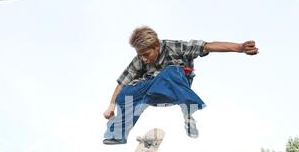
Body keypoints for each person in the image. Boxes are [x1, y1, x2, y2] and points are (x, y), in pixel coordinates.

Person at [103, 26, 258, 145]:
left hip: (176, 90)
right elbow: (122, 82)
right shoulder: (139, 59)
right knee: (126, 93)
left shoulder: (175, 47)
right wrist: (111, 105)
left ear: (156, 46)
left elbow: (207, 46)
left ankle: (188, 111)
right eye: (140, 55)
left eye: (146, 55)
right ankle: (118, 134)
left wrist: (239, 48)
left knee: (171, 71)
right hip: (153, 93)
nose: (143, 59)